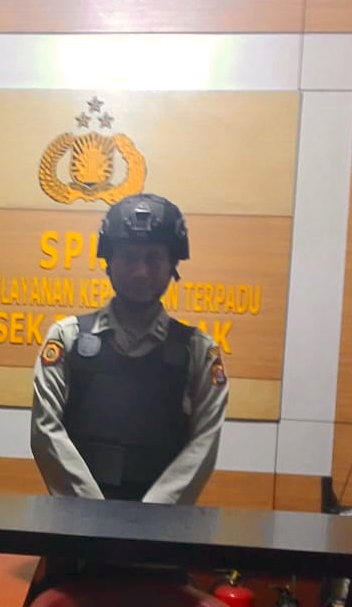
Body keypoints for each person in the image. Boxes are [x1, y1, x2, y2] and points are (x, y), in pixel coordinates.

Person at [30, 193, 229, 505]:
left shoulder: (199, 352)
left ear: (173, 265)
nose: (140, 272)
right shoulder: (67, 338)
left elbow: (204, 443)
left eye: (153, 258)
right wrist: (92, 513)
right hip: (76, 523)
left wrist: (148, 518)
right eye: (128, 257)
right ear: (109, 263)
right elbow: (45, 432)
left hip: (162, 527)